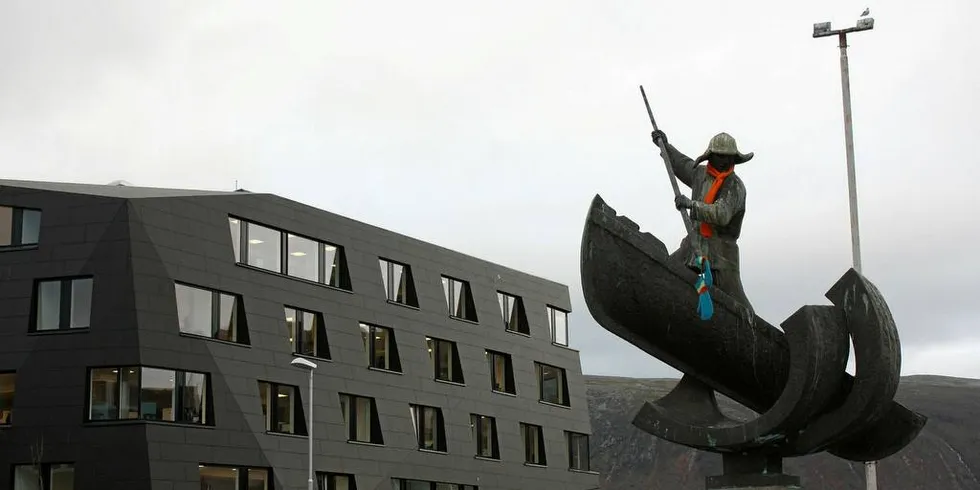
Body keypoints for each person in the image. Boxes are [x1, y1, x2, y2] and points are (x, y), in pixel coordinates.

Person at [651, 129, 755, 315]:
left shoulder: (734, 186)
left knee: (740, 309)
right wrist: (664, 145)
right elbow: (681, 164)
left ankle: (754, 333)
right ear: (710, 156)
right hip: (694, 245)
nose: (724, 161)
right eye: (720, 156)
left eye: (728, 157)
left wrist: (692, 205)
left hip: (722, 256)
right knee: (666, 272)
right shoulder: (700, 175)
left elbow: (721, 213)